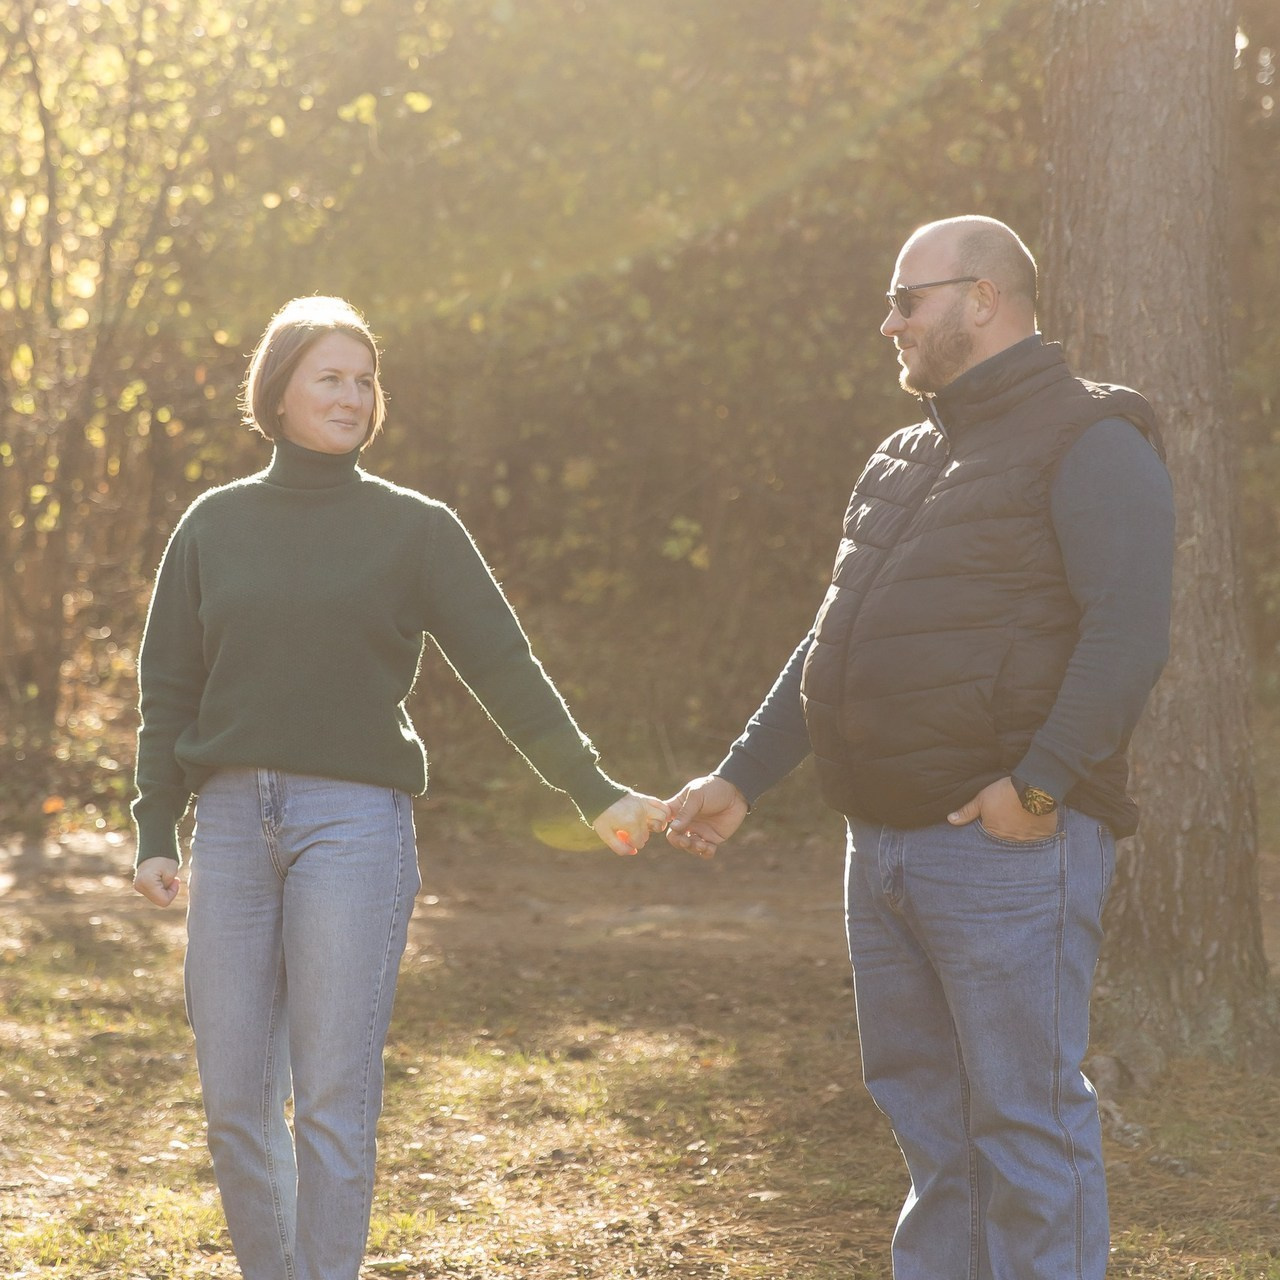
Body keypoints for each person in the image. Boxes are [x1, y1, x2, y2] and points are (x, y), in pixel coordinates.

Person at [664, 216, 1174, 1280]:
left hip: (1006, 847)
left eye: (908, 298)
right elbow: (835, 634)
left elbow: (1126, 630)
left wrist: (1033, 786)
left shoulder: (1092, 439)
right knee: (934, 1138)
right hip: (883, 848)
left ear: (983, 296)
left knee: (1026, 1130)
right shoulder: (904, 453)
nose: (887, 321)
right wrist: (740, 775)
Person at [131, 295, 669, 1280]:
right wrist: (154, 826)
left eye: (365, 379)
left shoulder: (415, 529)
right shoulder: (214, 522)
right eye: (329, 376)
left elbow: (505, 669)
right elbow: (167, 686)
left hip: (354, 827)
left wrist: (591, 789)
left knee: (333, 1096)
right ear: (278, 392)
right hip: (233, 830)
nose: (352, 395)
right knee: (234, 1100)